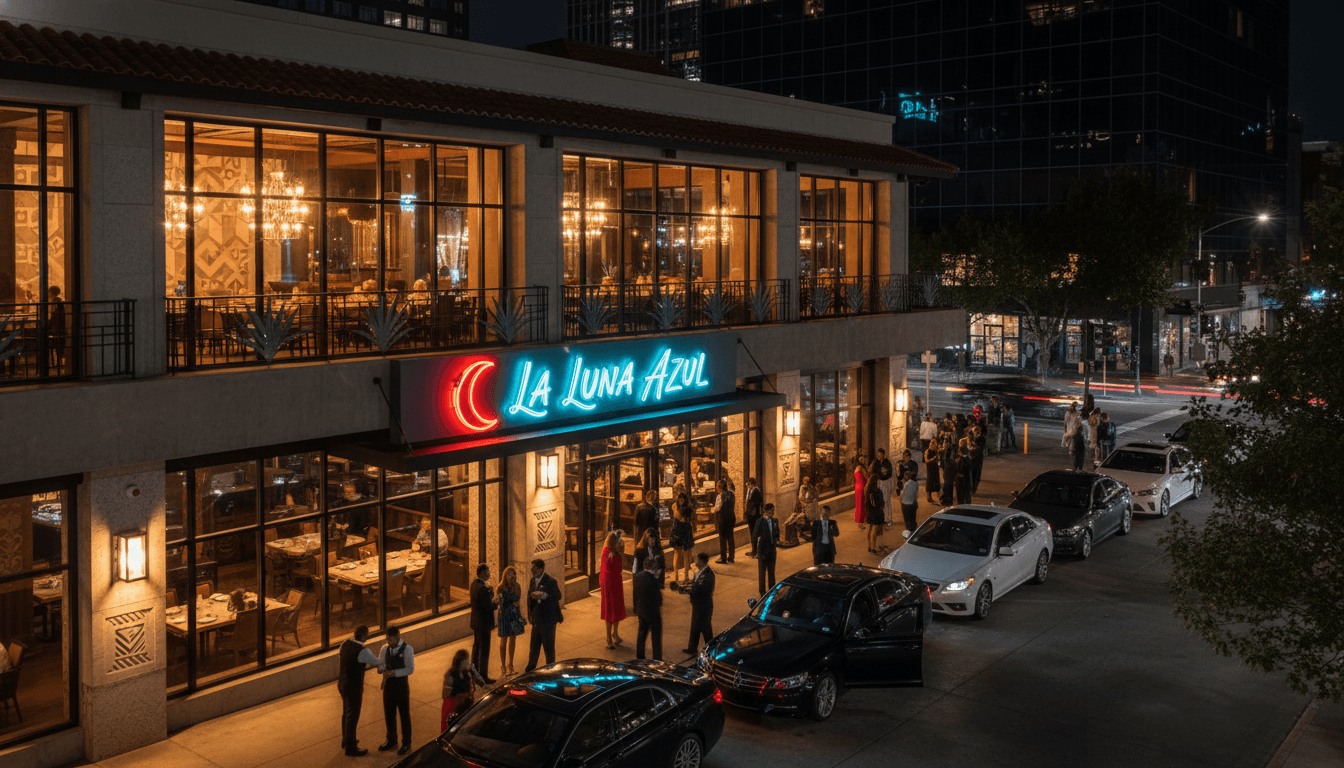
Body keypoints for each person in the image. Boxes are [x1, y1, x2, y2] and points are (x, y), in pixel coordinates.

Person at [337, 625, 380, 756]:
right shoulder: (363, 651)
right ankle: (351, 747)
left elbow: (342, 659)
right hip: (354, 686)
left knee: (346, 712)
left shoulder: (345, 644)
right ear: (363, 636)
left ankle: (346, 740)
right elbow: (375, 661)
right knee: (353, 715)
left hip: (342, 683)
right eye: (367, 634)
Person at [376, 625, 416, 755]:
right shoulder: (384, 648)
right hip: (388, 685)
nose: (388, 642)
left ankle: (406, 742)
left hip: (401, 685)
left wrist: (394, 673)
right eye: (387, 639)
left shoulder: (407, 649)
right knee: (389, 713)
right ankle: (391, 739)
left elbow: (410, 669)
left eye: (390, 640)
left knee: (404, 714)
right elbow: (380, 664)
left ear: (397, 637)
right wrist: (381, 669)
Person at [524, 559, 563, 672]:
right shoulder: (532, 581)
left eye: (534, 568)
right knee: (534, 647)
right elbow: (529, 598)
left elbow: (558, 595)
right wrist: (530, 615)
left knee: (549, 647)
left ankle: (551, 670)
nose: (532, 571)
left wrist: (545, 595)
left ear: (541, 569)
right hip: (537, 620)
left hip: (548, 620)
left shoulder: (551, 581)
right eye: (531, 569)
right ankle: (530, 669)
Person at [441, 648, 484, 732]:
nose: (469, 662)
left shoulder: (467, 673)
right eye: (467, 660)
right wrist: (459, 697)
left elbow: (482, 682)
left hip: (466, 706)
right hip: (454, 708)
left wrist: (473, 670)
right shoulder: (450, 675)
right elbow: (445, 695)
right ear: (462, 662)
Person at [682, 551, 715, 655]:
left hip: (704, 606)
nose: (695, 561)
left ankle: (711, 649)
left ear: (701, 561)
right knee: (695, 627)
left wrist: (686, 591)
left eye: (697, 559)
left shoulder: (708, 575)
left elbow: (699, 589)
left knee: (706, 629)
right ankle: (692, 648)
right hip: (697, 605)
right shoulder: (699, 573)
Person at [469, 563, 497, 684]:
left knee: (476, 647)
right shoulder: (482, 588)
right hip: (483, 623)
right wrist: (496, 602)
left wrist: (489, 593)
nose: (489, 573)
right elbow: (488, 606)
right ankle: (483, 675)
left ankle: (473, 671)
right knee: (484, 649)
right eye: (488, 571)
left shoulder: (474, 585)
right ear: (483, 573)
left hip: (476, 622)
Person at [496, 566, 526, 677]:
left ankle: (511, 665)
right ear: (505, 575)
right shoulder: (500, 587)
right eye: (509, 574)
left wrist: (520, 616)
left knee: (513, 639)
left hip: (513, 614)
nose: (512, 576)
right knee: (504, 640)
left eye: (514, 574)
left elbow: (518, 602)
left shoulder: (517, 586)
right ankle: (503, 666)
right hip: (504, 614)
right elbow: (499, 602)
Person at [599, 530, 626, 649]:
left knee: (617, 608)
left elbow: (620, 568)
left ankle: (615, 633)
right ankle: (608, 637)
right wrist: (614, 556)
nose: (620, 543)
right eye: (618, 542)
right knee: (609, 609)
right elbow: (608, 568)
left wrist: (619, 552)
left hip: (616, 582)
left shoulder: (617, 552)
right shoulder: (607, 552)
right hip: (608, 584)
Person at [633, 555, 663, 660]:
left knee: (641, 634)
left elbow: (636, 594)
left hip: (641, 610)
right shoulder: (653, 580)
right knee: (656, 637)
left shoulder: (638, 577)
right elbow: (658, 597)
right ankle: (657, 658)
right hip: (653, 612)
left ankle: (640, 656)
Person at [753, 503, 780, 595]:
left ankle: (772, 589)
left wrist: (776, 540)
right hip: (763, 550)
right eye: (772, 510)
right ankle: (762, 592)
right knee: (762, 572)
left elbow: (777, 532)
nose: (773, 512)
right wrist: (755, 551)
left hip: (772, 550)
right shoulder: (760, 521)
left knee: (771, 571)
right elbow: (755, 536)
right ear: (767, 511)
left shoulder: (775, 521)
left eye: (773, 510)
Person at [669, 493, 694, 585]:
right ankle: (675, 576)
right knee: (677, 553)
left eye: (682, 500)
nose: (681, 501)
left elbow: (681, 518)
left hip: (685, 532)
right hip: (677, 532)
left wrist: (675, 508)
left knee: (687, 553)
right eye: (679, 500)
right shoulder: (675, 506)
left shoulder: (687, 509)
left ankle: (686, 576)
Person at [713, 479, 736, 564]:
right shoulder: (731, 494)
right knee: (730, 538)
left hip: (722, 519)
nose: (716, 488)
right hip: (731, 517)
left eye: (716, 486)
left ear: (719, 487)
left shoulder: (720, 496)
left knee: (722, 539)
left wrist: (712, 510)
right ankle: (731, 557)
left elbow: (717, 508)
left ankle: (723, 557)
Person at [741, 478, 763, 557]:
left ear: (752, 484)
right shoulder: (750, 491)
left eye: (748, 484)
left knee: (754, 533)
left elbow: (755, 504)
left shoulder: (756, 491)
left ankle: (755, 551)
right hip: (750, 515)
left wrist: (749, 512)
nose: (747, 486)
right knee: (753, 533)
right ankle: (754, 550)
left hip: (754, 516)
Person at [873, 449, 894, 529]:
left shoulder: (887, 462)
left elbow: (890, 473)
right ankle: (882, 518)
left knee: (887, 500)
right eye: (877, 454)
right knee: (879, 501)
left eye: (880, 454)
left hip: (885, 482)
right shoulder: (876, 463)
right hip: (879, 483)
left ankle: (889, 519)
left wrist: (884, 473)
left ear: (883, 454)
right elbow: (873, 472)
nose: (878, 456)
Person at [864, 473, 885, 553]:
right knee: (874, 530)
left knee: (870, 529)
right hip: (875, 513)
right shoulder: (876, 491)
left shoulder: (869, 490)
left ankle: (870, 546)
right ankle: (873, 547)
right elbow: (878, 504)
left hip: (870, 512)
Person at [899, 469, 920, 538]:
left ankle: (908, 534)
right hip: (913, 503)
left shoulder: (907, 484)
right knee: (913, 518)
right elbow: (916, 494)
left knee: (907, 520)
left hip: (905, 503)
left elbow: (903, 493)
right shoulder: (916, 484)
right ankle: (914, 532)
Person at [853, 455, 869, 527]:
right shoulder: (861, 467)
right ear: (859, 461)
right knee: (862, 504)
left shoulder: (856, 468)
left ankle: (860, 521)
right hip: (862, 487)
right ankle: (861, 522)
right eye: (861, 459)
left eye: (864, 459)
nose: (863, 461)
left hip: (857, 487)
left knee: (859, 504)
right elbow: (866, 476)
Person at [924, 439, 941, 504]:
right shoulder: (927, 451)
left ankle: (938, 497)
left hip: (935, 468)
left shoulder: (936, 451)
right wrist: (933, 459)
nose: (932, 444)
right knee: (930, 481)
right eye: (932, 443)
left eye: (934, 443)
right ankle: (929, 496)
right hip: (930, 469)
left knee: (936, 481)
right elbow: (926, 461)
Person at [970, 425, 986, 493]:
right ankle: (971, 487)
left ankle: (974, 488)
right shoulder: (972, 438)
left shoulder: (982, 439)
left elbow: (980, 449)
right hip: (972, 458)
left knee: (975, 474)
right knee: (971, 473)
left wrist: (973, 446)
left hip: (978, 458)